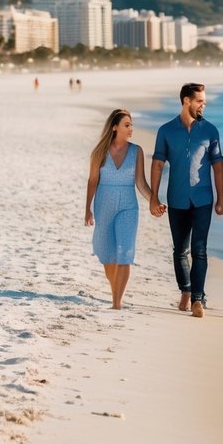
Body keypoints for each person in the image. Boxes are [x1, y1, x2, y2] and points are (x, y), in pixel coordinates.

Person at [150, 83, 223, 318]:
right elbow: (158, 164)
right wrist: (154, 197)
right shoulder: (166, 130)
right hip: (177, 198)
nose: (204, 104)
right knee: (180, 250)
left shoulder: (210, 131)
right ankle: (185, 290)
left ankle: (197, 299)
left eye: (204, 101)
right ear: (186, 101)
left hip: (203, 198)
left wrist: (221, 198)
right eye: (200, 101)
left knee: (199, 250)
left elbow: (217, 167)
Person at [85, 109, 162, 309]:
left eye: (131, 124)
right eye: (126, 125)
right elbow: (92, 181)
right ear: (114, 127)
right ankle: (115, 291)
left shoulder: (136, 151)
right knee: (106, 254)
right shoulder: (99, 152)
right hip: (103, 205)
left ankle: (116, 303)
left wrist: (154, 200)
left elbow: (140, 183)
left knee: (125, 253)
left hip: (128, 206)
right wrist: (87, 209)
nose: (131, 129)